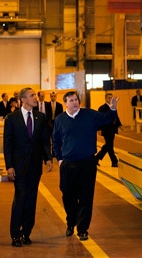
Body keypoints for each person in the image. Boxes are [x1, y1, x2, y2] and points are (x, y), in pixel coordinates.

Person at [52, 90, 119, 241]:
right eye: (71, 100)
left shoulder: (90, 115)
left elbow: (108, 118)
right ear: (65, 103)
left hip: (87, 163)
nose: (75, 102)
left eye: (76, 99)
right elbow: (55, 141)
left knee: (86, 197)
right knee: (68, 196)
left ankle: (82, 229)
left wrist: (113, 108)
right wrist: (60, 159)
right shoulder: (60, 120)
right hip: (68, 165)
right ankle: (71, 223)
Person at [4, 87, 53, 247]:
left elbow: (44, 140)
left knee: (32, 199)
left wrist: (47, 158)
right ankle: (15, 234)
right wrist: (9, 166)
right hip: (18, 166)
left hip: (34, 166)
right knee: (20, 197)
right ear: (23, 100)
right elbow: (8, 144)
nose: (35, 98)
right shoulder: (11, 118)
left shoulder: (41, 117)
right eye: (32, 95)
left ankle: (26, 232)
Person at [95, 92, 122, 167]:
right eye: (109, 98)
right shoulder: (102, 108)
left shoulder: (113, 106)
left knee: (109, 145)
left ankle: (98, 158)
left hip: (112, 128)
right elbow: (99, 119)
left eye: (111, 98)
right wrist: (99, 129)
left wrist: (119, 124)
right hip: (106, 129)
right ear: (105, 99)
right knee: (109, 145)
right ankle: (114, 161)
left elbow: (116, 116)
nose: (110, 99)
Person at [45, 91, 63, 155]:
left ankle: (54, 152)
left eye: (54, 96)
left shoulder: (59, 105)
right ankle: (48, 152)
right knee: (48, 139)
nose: (53, 97)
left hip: (56, 123)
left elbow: (61, 115)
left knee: (55, 138)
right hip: (49, 123)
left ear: (56, 96)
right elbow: (46, 114)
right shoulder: (46, 105)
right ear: (50, 97)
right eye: (52, 96)